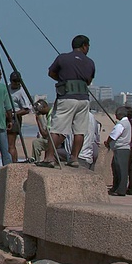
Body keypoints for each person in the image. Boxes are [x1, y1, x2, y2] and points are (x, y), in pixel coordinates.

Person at [39, 35, 95, 168]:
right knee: (79, 131)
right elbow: (89, 81)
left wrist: (63, 80)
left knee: (57, 129)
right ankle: (74, 158)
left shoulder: (62, 58)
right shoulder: (90, 62)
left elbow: (51, 73)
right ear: (84, 46)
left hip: (66, 98)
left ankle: (49, 158)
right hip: (83, 99)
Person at [105, 107, 132, 196]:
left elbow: (113, 136)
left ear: (120, 114)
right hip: (124, 148)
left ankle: (121, 190)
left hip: (121, 148)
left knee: (120, 170)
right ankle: (117, 188)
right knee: (119, 169)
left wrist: (107, 142)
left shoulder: (121, 124)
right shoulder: (127, 123)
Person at [7, 71, 31, 162]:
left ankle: (14, 164)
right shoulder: (7, 88)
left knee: (11, 144)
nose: (16, 83)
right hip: (5, 117)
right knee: (5, 144)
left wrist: (14, 114)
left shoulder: (21, 92)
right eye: (14, 81)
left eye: (18, 81)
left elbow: (27, 109)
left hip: (14, 119)